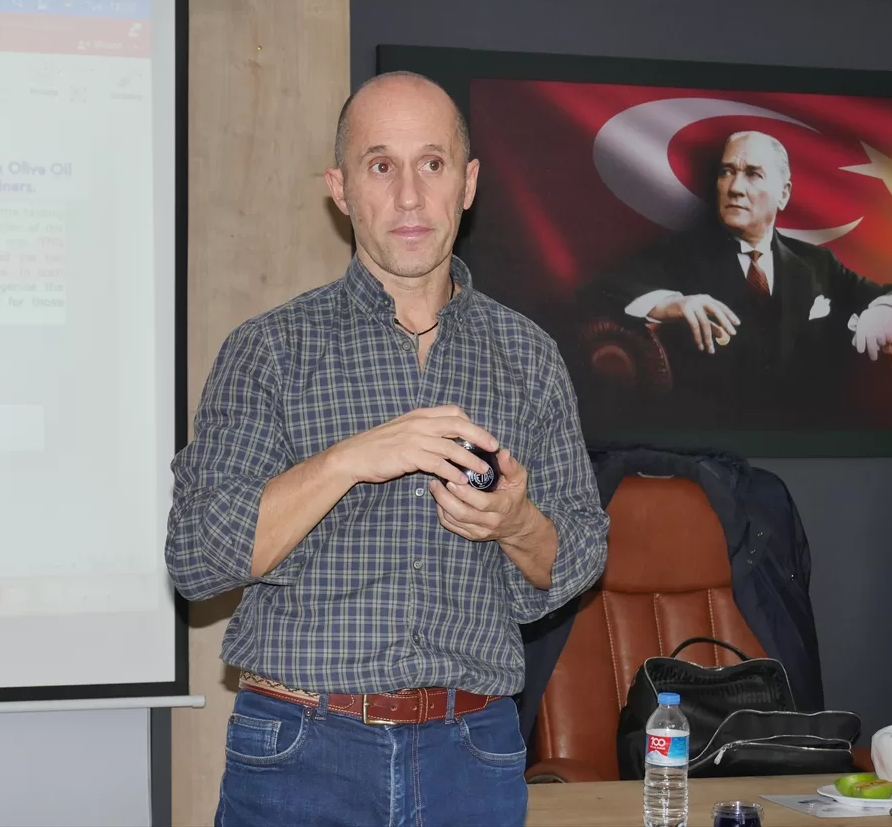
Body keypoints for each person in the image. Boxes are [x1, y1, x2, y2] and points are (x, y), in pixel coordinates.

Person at [166, 70, 610, 827]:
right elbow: (197, 558)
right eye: (381, 166)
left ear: (468, 184)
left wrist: (515, 523)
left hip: (472, 752)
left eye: (432, 164)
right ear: (340, 189)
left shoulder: (528, 356)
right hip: (301, 750)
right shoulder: (269, 350)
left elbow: (579, 554)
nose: (409, 196)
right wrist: (347, 461)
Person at [579, 130, 892, 420]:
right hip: (712, 435)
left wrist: (883, 311)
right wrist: (671, 304)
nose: (734, 187)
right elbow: (599, 290)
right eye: (726, 172)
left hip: (804, 436)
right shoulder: (680, 253)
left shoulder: (816, 263)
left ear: (783, 194)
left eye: (753, 174)